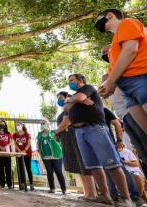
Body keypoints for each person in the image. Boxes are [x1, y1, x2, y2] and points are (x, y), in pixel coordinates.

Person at [66, 73, 134, 206]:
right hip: (79, 132)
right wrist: (75, 100)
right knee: (94, 166)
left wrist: (77, 99)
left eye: (72, 80)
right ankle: (105, 196)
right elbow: (66, 107)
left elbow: (79, 97)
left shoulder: (88, 88)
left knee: (112, 164)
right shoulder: (76, 96)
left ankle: (127, 199)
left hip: (95, 129)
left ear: (80, 80)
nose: (70, 83)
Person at [96, 9, 147, 135]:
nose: (96, 25)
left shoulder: (127, 23)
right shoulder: (114, 45)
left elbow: (130, 50)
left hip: (141, 79)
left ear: (109, 16)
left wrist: (111, 81)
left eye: (98, 21)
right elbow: (112, 71)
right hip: (127, 90)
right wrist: (106, 87)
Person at [101, 45, 147, 174]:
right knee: (141, 151)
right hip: (124, 116)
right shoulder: (108, 74)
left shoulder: (128, 67)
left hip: (133, 111)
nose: (104, 54)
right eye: (103, 53)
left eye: (107, 51)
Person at [54, 91, 97, 201]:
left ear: (67, 97)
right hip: (68, 140)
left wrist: (56, 132)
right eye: (58, 98)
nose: (59, 100)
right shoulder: (64, 110)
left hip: (75, 137)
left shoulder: (70, 107)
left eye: (60, 97)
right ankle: (86, 192)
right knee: (78, 167)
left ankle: (92, 193)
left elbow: (66, 123)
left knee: (83, 165)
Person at [37, 119, 66, 194]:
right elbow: (38, 146)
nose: (43, 125)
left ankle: (64, 189)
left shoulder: (53, 132)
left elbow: (59, 142)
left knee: (58, 171)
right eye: (42, 124)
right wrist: (40, 154)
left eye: (44, 123)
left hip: (56, 155)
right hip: (45, 156)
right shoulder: (39, 134)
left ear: (48, 124)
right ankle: (52, 188)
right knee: (49, 172)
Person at [13, 122, 34, 191]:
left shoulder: (28, 134)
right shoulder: (15, 135)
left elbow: (28, 143)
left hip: (27, 153)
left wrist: (24, 150)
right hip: (19, 153)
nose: (17, 126)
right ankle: (22, 184)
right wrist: (19, 151)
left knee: (28, 168)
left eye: (19, 125)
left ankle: (31, 184)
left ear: (22, 126)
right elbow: (15, 144)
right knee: (20, 169)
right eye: (16, 125)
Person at [0, 120, 13, 189]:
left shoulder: (8, 133)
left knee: (8, 168)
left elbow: (10, 142)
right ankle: (2, 184)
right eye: (1, 124)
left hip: (7, 153)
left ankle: (9, 185)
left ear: (5, 125)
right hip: (0, 152)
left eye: (3, 124)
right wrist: (1, 147)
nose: (2, 125)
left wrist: (5, 147)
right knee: (1, 168)